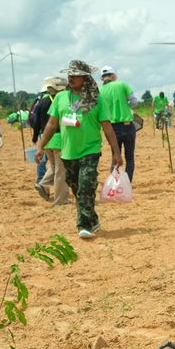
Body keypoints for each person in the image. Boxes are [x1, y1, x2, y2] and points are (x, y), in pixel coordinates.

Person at [34, 60, 123, 239]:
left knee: (86, 186)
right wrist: (40, 146)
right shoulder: (60, 98)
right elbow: (51, 124)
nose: (71, 78)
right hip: (68, 152)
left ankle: (84, 225)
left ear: (85, 78)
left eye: (75, 75)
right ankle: (92, 218)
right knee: (76, 188)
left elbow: (107, 127)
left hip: (90, 149)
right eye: (70, 75)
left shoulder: (97, 100)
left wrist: (116, 152)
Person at [33, 76, 72, 206]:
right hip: (59, 138)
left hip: (46, 139)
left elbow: (36, 122)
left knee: (55, 166)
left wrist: (36, 140)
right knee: (61, 170)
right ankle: (61, 199)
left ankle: (43, 184)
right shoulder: (63, 100)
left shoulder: (42, 101)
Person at [99, 65, 138, 182]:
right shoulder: (122, 84)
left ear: (101, 78)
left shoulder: (99, 91)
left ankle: (115, 183)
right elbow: (134, 102)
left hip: (111, 128)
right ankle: (128, 182)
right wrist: (126, 105)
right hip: (127, 126)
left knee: (115, 157)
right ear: (113, 76)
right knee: (129, 158)